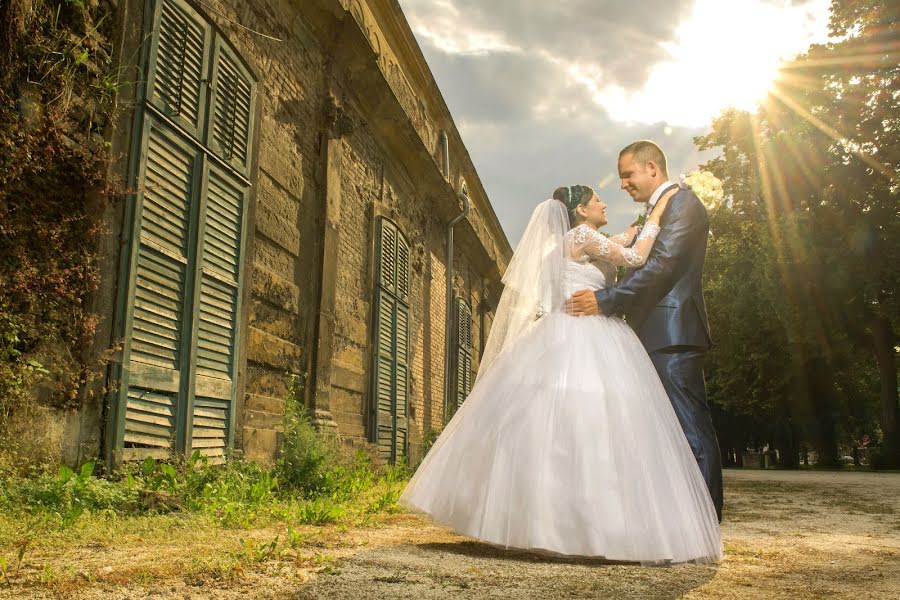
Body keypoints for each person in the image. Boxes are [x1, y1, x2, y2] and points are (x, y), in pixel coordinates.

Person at [400, 183, 722, 564]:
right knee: (590, 424)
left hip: (564, 331)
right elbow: (635, 258)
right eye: (598, 200)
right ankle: (584, 525)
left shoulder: (575, 240)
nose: (605, 203)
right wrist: (654, 216)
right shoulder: (584, 236)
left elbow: (616, 246)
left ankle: (545, 522)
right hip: (586, 332)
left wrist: (635, 230)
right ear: (582, 211)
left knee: (556, 426)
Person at [566, 141, 724, 522]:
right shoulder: (658, 210)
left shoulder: (683, 204)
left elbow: (663, 267)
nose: (622, 184)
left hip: (672, 333)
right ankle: (674, 521)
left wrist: (604, 300)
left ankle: (701, 523)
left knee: (689, 430)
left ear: (651, 168)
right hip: (649, 333)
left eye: (627, 174)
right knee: (664, 433)